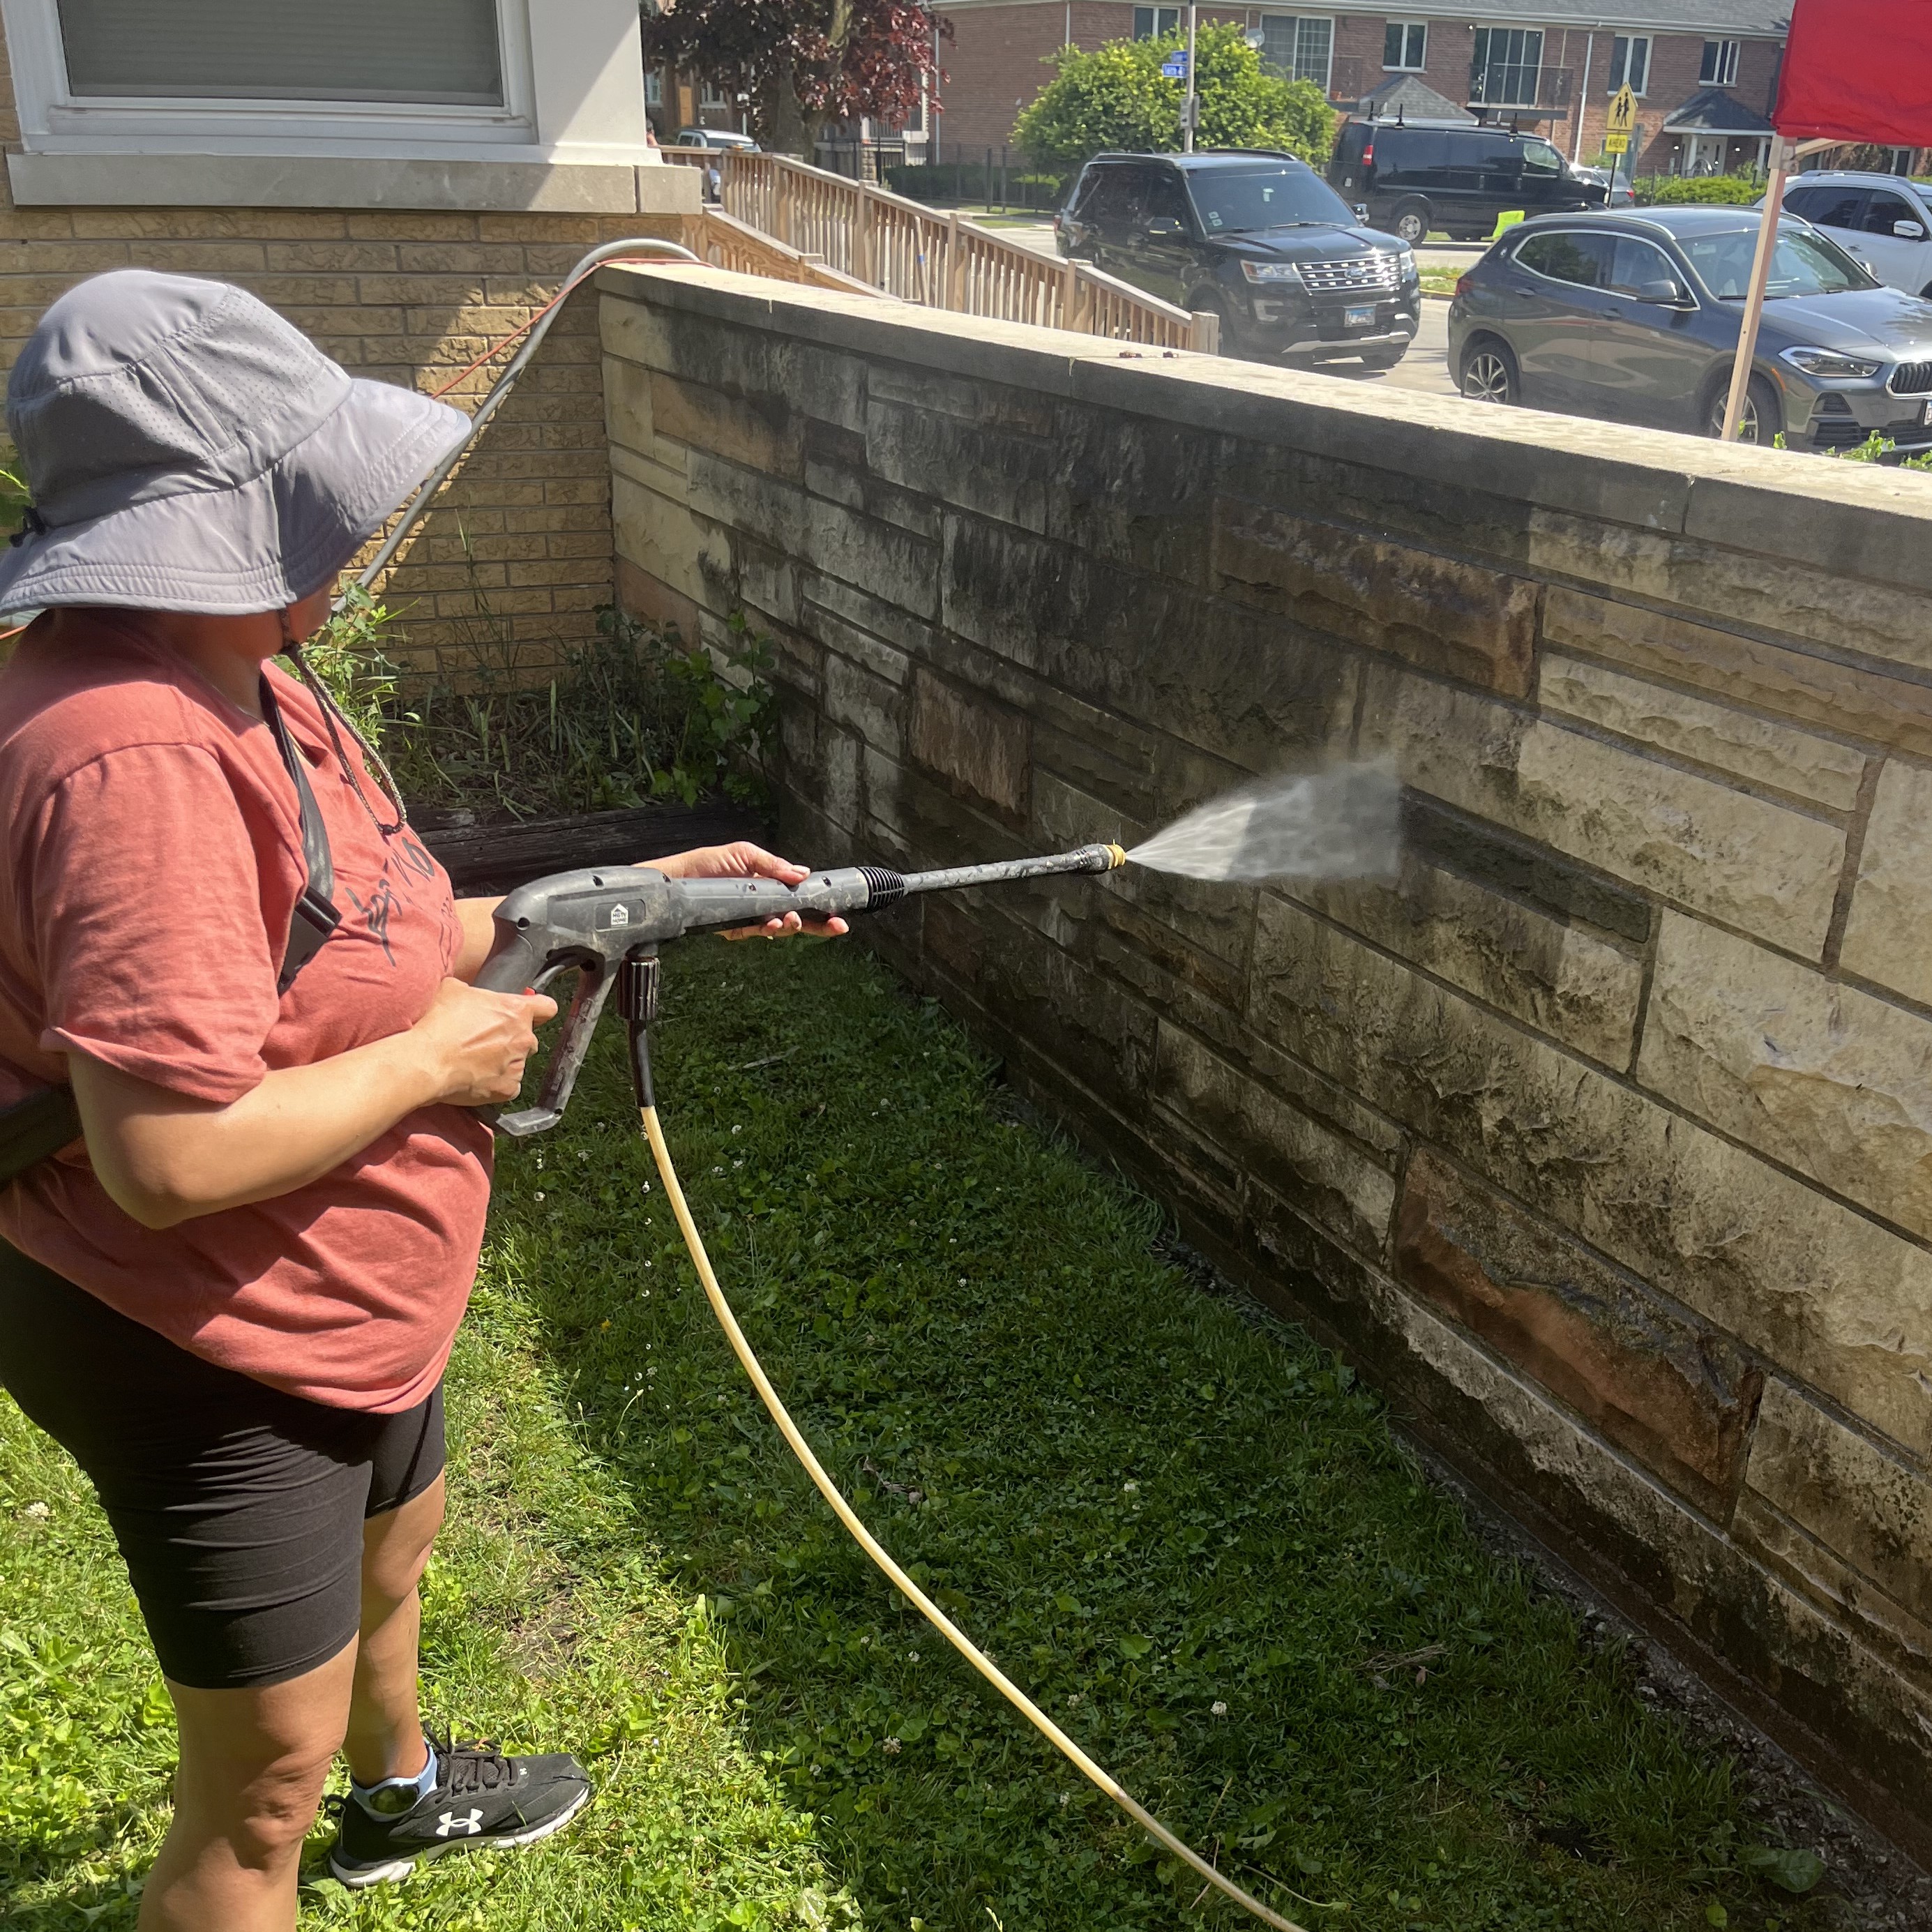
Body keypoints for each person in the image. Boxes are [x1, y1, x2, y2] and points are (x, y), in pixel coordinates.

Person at [0, 269, 841, 1931]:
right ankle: (318, 1814)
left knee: (395, 1548)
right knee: (252, 1801)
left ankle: (399, 1794)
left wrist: (616, 890)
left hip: (348, 1287)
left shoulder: (242, 661)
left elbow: (359, 938)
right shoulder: (134, 755)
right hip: (212, 1337)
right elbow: (163, 1155)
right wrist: (433, 1063)